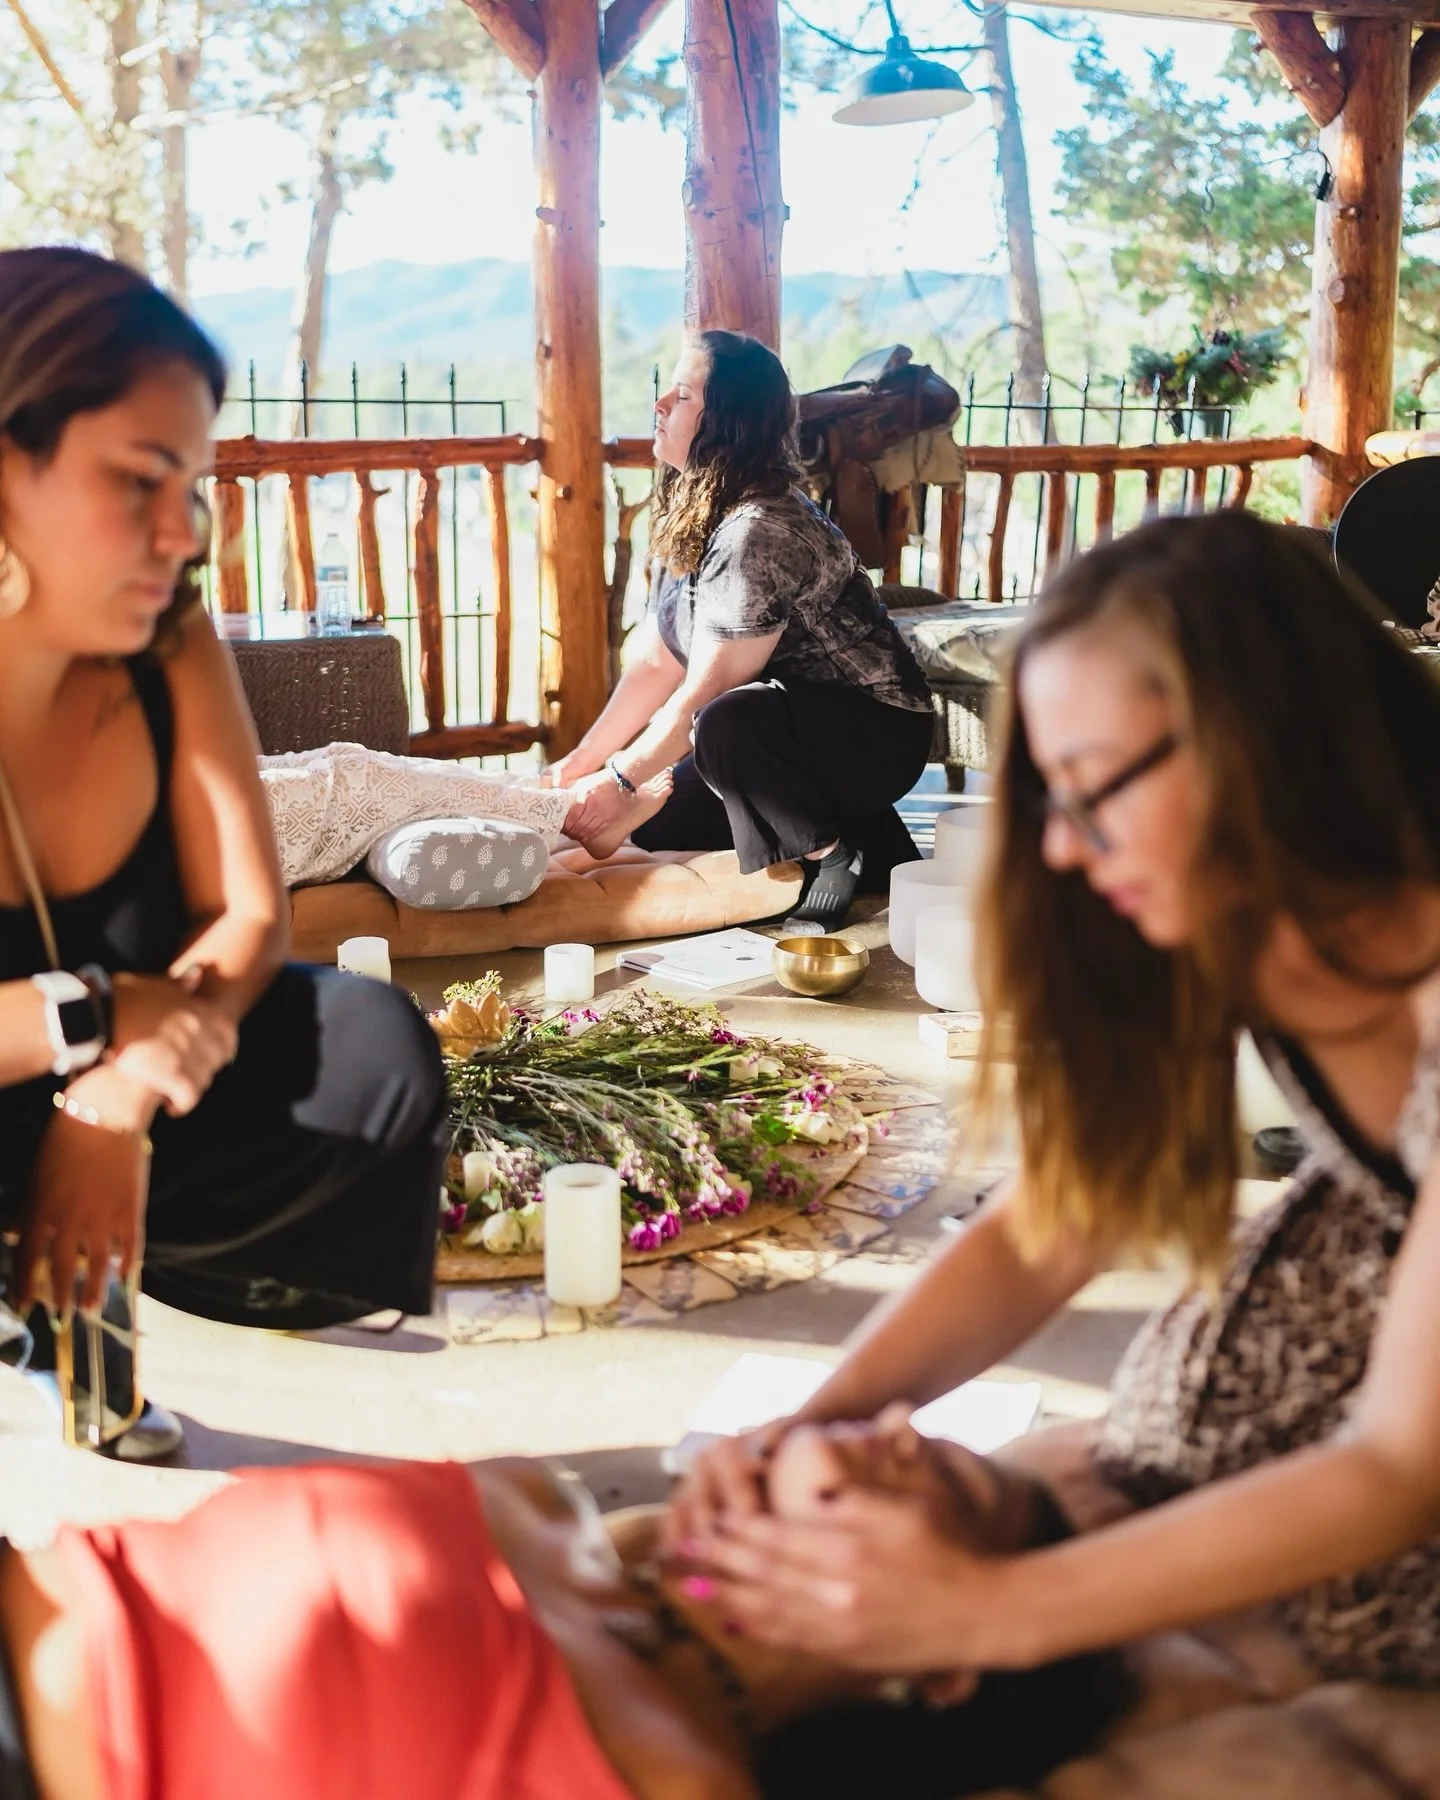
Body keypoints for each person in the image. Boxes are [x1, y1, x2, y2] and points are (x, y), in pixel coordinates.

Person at [671, 512, 1440, 1707]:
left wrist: (991, 1612)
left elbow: (1399, 1468)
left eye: (1094, 794)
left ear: (1265, 746)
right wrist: (811, 1421)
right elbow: (1054, 1222)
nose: (1069, 856)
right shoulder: (1243, 926)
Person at [0, 247, 446, 1460]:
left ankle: (85, 1324)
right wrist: (93, 1018)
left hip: (108, 1081)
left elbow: (250, 910)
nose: (179, 530)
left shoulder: (169, 632)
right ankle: (39, 1322)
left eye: (193, 483)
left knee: (367, 1052)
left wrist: (117, 1100)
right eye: (141, 477)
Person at [0, 1420, 1127, 1800]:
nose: (896, 1429)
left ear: (950, 1659)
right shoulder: (546, 1508)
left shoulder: (676, 1776)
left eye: (951, 1481)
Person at [547, 330, 935, 930]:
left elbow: (712, 686)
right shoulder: (698, 509)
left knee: (722, 723)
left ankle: (830, 856)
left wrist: (622, 777)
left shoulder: (760, 528)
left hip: (874, 730)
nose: (659, 406)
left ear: (728, 423)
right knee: (662, 821)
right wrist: (580, 764)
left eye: (681, 396)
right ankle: (871, 837)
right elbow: (657, 663)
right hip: (786, 727)